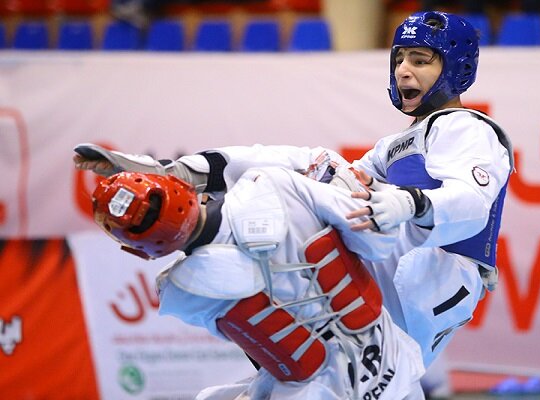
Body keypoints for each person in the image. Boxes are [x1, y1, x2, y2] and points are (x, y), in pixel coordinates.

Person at [74, 9, 513, 391]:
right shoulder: (398, 143)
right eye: (398, 58)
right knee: (309, 169)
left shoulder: (468, 127)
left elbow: (472, 201)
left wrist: (412, 204)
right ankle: (181, 176)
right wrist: (175, 172)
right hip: (407, 269)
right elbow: (323, 169)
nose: (402, 70)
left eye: (419, 60)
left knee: (284, 196)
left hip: (433, 269)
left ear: (455, 68)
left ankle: (207, 227)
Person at [89, 168, 426, 400]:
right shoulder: (275, 183)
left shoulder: (182, 292)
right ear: (180, 186)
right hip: (396, 367)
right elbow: (379, 240)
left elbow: (269, 350)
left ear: (138, 250)